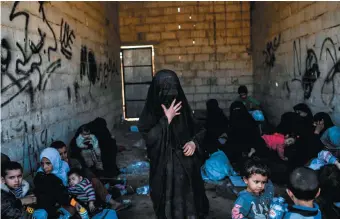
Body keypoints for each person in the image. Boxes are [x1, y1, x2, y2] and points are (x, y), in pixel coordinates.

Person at [138, 69, 209, 219]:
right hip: (163, 169)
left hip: (187, 166)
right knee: (168, 206)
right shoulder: (150, 113)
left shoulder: (183, 108)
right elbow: (150, 139)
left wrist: (194, 143)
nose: (170, 94)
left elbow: (200, 130)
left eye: (173, 88)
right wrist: (166, 119)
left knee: (190, 205)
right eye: (165, 89)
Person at [51, 141, 129, 211]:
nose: (64, 156)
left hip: (81, 185)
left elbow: (80, 174)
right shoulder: (53, 168)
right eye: (60, 154)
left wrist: (68, 165)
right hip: (71, 192)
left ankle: (113, 202)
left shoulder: (72, 161)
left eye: (65, 152)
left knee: (93, 179)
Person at [33, 148, 74, 218]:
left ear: (56, 161)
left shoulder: (63, 166)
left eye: (48, 163)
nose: (44, 167)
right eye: (42, 163)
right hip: (49, 206)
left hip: (63, 199)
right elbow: (59, 195)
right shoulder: (40, 175)